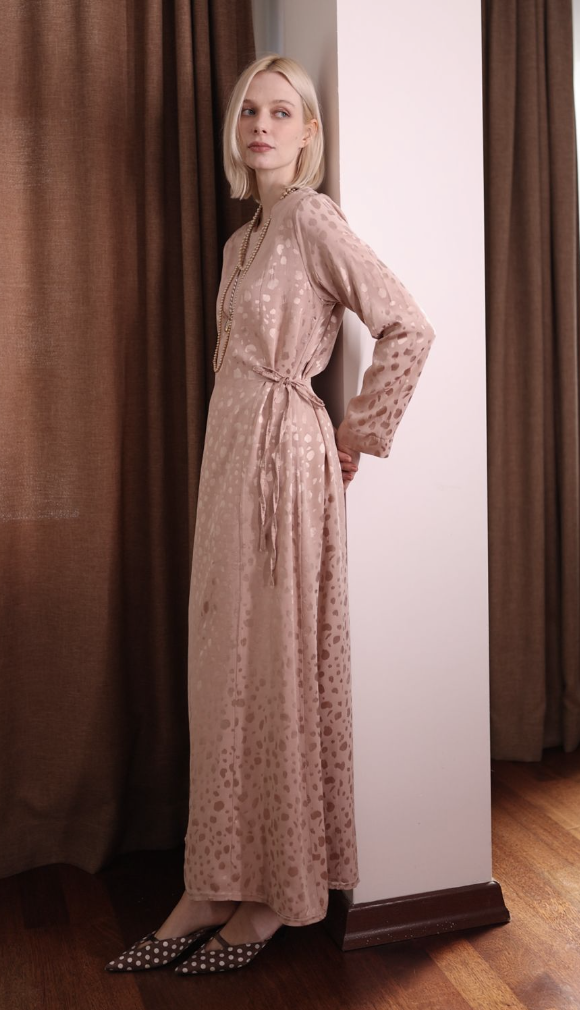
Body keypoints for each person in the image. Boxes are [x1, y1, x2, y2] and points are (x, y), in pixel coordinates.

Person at [106, 53, 435, 977]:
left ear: (309, 133)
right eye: (250, 110)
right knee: (225, 670)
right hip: (227, 459)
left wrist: (357, 433)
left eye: (282, 112)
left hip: (285, 462)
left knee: (275, 669)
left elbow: (408, 325)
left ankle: (269, 896)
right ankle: (211, 882)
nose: (261, 125)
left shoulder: (313, 220)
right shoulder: (240, 241)